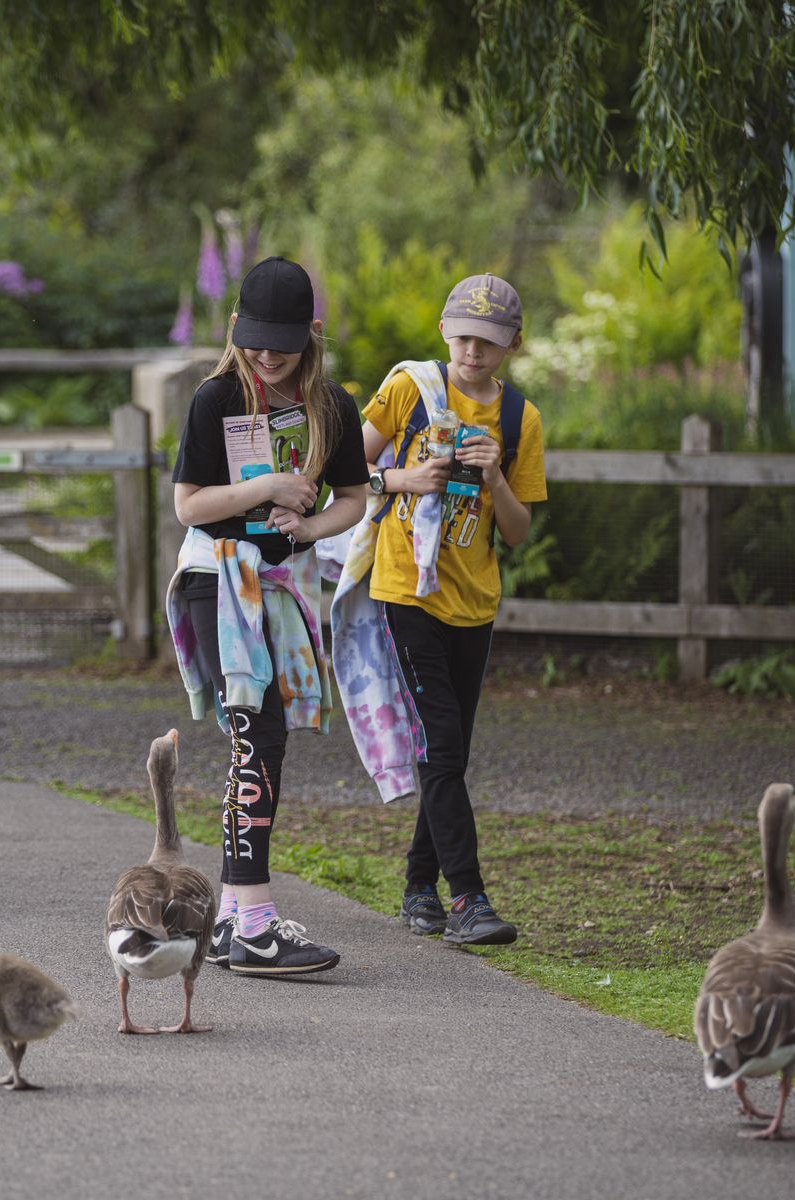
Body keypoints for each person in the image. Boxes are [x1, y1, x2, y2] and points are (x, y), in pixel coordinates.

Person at [165, 256, 368, 976]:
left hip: (282, 586)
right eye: (255, 338)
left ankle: (229, 923)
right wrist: (272, 485)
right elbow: (189, 504)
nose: (268, 353)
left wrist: (309, 523)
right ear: (233, 330)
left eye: (282, 339)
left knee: (261, 743)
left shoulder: (332, 406)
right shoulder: (216, 397)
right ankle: (253, 923)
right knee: (257, 739)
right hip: (215, 582)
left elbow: (353, 496)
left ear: (310, 334)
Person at [334, 273, 547, 946]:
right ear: (442, 331)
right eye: (461, 337)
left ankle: (417, 887)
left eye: (487, 342)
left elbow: (517, 531)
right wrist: (402, 478)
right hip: (405, 591)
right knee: (443, 745)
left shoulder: (520, 420)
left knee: (446, 754)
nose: (471, 352)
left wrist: (492, 477)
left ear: (511, 344)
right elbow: (344, 472)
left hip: (475, 601)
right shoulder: (410, 390)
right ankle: (469, 900)